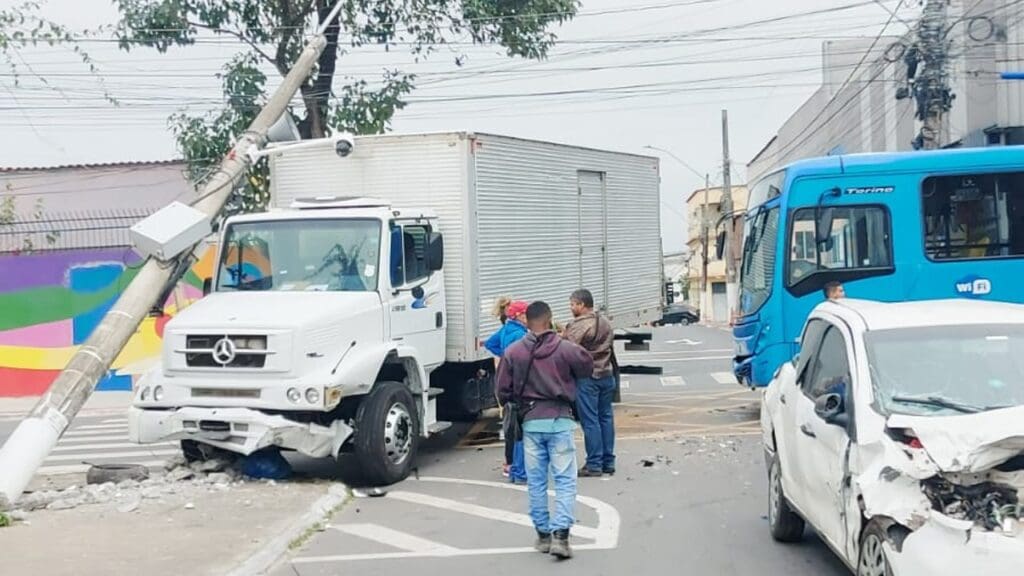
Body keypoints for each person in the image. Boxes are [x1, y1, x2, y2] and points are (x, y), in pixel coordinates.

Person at [497, 301, 594, 560]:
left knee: (537, 481)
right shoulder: (565, 349)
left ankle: (542, 534)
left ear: (527, 322)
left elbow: (502, 390)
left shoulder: (514, 351)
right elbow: (587, 366)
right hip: (560, 420)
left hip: (530, 422)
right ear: (550, 320)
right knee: (564, 480)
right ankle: (561, 536)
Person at [562, 289, 617, 477]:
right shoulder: (605, 322)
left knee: (590, 421)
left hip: (588, 377)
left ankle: (594, 463)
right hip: (607, 374)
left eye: (572, 305)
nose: (571, 308)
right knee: (606, 418)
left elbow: (567, 349)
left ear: (581, 305)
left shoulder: (579, 326)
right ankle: (608, 461)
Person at [485, 300, 529, 483]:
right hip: (518, 384)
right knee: (520, 429)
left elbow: (489, 343)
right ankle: (516, 468)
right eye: (527, 313)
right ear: (519, 315)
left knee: (511, 426)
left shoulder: (506, 330)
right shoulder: (520, 335)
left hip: (506, 382)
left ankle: (511, 465)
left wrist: (503, 356)